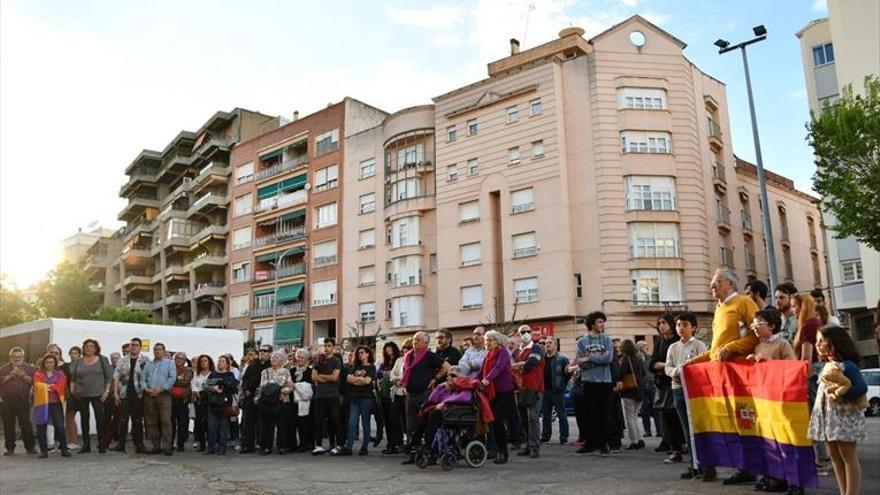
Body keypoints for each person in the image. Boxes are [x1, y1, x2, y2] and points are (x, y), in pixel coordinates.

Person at [688, 268, 760, 484]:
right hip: (721, 376)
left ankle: (752, 467)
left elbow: (757, 335)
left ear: (730, 283)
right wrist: (689, 364)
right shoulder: (719, 309)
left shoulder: (744, 303)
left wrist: (732, 347)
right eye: (712, 282)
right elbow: (715, 350)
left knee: (745, 421)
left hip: (740, 374)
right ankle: (741, 467)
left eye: (716, 282)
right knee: (730, 422)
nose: (712, 286)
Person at [809, 326, 867, 495]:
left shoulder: (847, 366)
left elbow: (861, 387)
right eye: (816, 341)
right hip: (829, 418)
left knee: (848, 457)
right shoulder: (827, 365)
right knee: (835, 456)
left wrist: (842, 395)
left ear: (834, 343)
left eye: (821, 341)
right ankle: (844, 492)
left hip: (844, 418)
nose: (817, 344)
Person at [746, 308, 798, 493]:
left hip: (782, 399)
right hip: (765, 399)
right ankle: (777, 478)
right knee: (770, 442)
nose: (755, 328)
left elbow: (793, 368)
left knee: (787, 442)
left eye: (759, 324)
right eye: (754, 324)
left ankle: (794, 482)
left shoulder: (782, 344)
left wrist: (769, 362)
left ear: (772, 326)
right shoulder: (758, 346)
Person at [665, 312, 708, 479]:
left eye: (685, 325)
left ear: (694, 327)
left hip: (694, 391)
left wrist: (686, 370)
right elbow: (668, 367)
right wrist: (676, 372)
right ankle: (694, 465)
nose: (681, 328)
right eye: (678, 325)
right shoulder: (673, 347)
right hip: (678, 389)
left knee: (697, 427)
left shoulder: (699, 346)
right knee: (686, 428)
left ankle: (705, 465)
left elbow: (703, 366)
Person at [401, 332, 451, 465]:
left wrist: (435, 379)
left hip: (425, 394)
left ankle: (430, 453)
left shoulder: (429, 355)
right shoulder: (408, 356)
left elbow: (446, 367)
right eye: (414, 339)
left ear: (425, 343)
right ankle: (413, 454)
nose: (414, 342)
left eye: (418, 340)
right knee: (411, 426)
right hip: (410, 394)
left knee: (426, 424)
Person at [575, 311, 615, 456]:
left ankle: (604, 444)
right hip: (588, 381)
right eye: (599, 322)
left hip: (604, 381)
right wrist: (597, 358)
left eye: (603, 322)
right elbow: (580, 362)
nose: (602, 324)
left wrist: (590, 357)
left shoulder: (607, 340)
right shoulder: (581, 342)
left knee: (604, 414)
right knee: (589, 414)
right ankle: (590, 443)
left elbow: (608, 359)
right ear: (592, 324)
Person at [70, 338, 113, 454]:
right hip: (82, 394)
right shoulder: (79, 361)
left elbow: (109, 377)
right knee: (84, 419)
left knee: (100, 418)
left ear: (96, 348)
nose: (89, 348)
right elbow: (73, 378)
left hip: (98, 394)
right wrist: (73, 390)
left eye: (91, 346)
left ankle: (101, 443)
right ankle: (86, 444)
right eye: (86, 346)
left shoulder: (102, 359)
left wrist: (106, 392)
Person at [649, 312, 681, 460]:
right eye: (659, 323)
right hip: (662, 383)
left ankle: (678, 445)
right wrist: (667, 366)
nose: (661, 326)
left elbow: (677, 364)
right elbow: (652, 363)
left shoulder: (676, 341)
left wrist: (665, 366)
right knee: (665, 414)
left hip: (675, 382)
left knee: (675, 415)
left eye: (664, 323)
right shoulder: (659, 342)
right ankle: (669, 442)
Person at [481, 330, 515, 464]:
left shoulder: (503, 352)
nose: (487, 343)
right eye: (486, 340)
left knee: (498, 422)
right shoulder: (488, 355)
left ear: (497, 341)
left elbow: (498, 368)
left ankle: (503, 452)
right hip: (492, 393)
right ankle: (496, 449)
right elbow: (481, 372)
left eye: (490, 340)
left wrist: (487, 380)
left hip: (504, 392)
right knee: (493, 423)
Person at [512, 324, 545, 458]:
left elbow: (531, 364)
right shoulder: (516, 352)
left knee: (533, 418)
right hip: (521, 388)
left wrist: (519, 365)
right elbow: (510, 367)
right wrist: (518, 366)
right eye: (522, 332)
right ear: (519, 335)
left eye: (528, 331)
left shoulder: (537, 348)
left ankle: (534, 447)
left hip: (535, 387)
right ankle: (527, 444)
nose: (525, 333)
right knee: (523, 419)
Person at [337, 345, 376, 456]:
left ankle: (364, 447)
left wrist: (356, 380)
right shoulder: (354, 366)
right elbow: (348, 379)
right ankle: (349, 447)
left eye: (362, 352)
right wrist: (360, 379)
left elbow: (368, 381)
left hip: (366, 398)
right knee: (352, 423)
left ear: (368, 354)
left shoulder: (371, 367)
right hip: (354, 398)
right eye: (358, 353)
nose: (360, 354)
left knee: (365, 423)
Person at [112, 337, 149, 454]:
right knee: (122, 420)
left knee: (137, 421)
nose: (133, 347)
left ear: (140, 347)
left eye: (136, 345)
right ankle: (121, 444)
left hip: (138, 394)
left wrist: (144, 392)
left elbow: (148, 378)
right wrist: (116, 394)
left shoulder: (145, 360)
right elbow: (116, 377)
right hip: (124, 393)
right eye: (131, 344)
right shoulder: (122, 360)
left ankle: (139, 444)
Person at [141, 342, 176, 456]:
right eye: (155, 349)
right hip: (150, 395)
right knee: (152, 422)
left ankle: (167, 447)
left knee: (165, 421)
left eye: (160, 349)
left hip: (164, 395)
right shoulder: (148, 364)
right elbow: (143, 378)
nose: (157, 351)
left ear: (164, 351)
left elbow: (172, 378)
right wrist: (147, 389)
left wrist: (162, 389)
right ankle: (156, 446)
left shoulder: (170, 363)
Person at [33, 352, 71, 458]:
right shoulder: (38, 374)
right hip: (41, 403)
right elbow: (37, 385)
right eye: (47, 362)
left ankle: (64, 449)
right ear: (43, 363)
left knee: (60, 426)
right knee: (41, 426)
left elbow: (61, 385)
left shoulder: (60, 374)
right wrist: (52, 386)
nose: (49, 364)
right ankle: (44, 451)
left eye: (51, 362)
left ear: (55, 363)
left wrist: (46, 386)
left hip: (56, 403)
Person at [0, 347, 37, 455]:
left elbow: (34, 382)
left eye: (19, 357)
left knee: (26, 424)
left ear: (23, 357)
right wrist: (10, 376)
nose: (17, 359)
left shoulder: (30, 368)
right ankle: (9, 448)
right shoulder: (3, 368)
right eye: (14, 357)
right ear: (10, 357)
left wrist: (22, 375)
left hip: (23, 400)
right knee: (8, 425)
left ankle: (30, 447)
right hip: (6, 401)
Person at [258, 350, 293, 455]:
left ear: (282, 360)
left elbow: (291, 386)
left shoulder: (286, 371)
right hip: (268, 401)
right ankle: (266, 447)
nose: (273, 359)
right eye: (272, 357)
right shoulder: (265, 372)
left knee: (282, 424)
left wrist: (282, 391)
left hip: (282, 400)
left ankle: (281, 446)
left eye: (276, 358)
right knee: (267, 425)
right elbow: (263, 386)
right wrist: (278, 387)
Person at [312, 338, 343, 455]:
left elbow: (335, 378)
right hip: (320, 396)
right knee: (318, 422)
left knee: (335, 421)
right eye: (325, 345)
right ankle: (318, 445)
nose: (326, 348)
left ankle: (338, 444)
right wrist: (327, 377)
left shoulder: (336, 361)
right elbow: (313, 377)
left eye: (329, 346)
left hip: (332, 395)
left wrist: (321, 376)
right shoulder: (318, 360)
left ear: (333, 347)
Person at [239, 344, 271, 454]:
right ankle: (247, 445)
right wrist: (246, 389)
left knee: (263, 423)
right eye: (261, 350)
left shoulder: (270, 365)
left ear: (270, 353)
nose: (262, 352)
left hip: (264, 397)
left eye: (265, 351)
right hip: (250, 396)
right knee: (248, 422)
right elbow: (245, 379)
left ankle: (263, 445)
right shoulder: (253, 364)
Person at [205, 355, 238, 455]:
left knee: (223, 427)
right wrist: (213, 388)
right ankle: (211, 447)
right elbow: (206, 386)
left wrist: (225, 384)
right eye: (219, 361)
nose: (220, 363)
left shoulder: (230, 375)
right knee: (211, 427)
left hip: (225, 404)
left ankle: (222, 447)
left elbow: (233, 387)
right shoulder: (213, 374)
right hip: (213, 403)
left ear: (227, 364)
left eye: (222, 361)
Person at [617, 339, 645, 451]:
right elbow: (643, 373)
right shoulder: (638, 359)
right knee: (635, 417)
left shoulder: (625, 360)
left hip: (628, 391)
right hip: (639, 391)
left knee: (629, 417)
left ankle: (633, 441)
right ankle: (640, 439)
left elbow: (620, 374)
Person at [541, 337, 570, 445]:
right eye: (545, 343)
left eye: (550, 343)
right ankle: (545, 436)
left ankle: (564, 437)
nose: (547, 345)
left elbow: (567, 374)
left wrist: (562, 385)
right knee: (545, 415)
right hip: (545, 391)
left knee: (562, 414)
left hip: (558, 391)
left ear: (555, 345)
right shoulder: (542, 358)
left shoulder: (562, 359)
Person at [386, 339, 411, 454]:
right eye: (404, 348)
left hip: (408, 393)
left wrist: (402, 380)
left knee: (408, 420)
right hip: (397, 393)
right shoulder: (400, 360)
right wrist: (398, 380)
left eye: (408, 347)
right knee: (394, 418)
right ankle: (398, 442)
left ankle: (411, 443)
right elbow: (392, 375)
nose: (406, 350)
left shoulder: (415, 360)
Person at [377, 342, 402, 454]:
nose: (388, 350)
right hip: (384, 394)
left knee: (394, 419)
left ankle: (398, 443)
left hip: (395, 394)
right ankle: (390, 444)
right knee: (387, 420)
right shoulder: (384, 363)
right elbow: (378, 373)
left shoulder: (399, 361)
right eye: (386, 349)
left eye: (390, 348)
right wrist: (384, 372)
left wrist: (388, 374)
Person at [289, 348, 314, 452]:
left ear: (307, 359)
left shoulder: (310, 371)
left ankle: (305, 443)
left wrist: (296, 385)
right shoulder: (292, 370)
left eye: (302, 357)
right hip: (293, 400)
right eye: (298, 357)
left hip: (305, 400)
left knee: (305, 423)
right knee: (292, 422)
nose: (299, 359)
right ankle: (292, 444)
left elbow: (311, 386)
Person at [635, 340, 660, 439]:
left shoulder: (650, 358)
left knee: (656, 408)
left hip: (652, 384)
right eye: (642, 346)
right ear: (638, 348)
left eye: (646, 345)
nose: (645, 347)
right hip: (642, 385)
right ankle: (647, 430)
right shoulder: (637, 359)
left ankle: (659, 430)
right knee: (644, 409)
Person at [170, 352, 194, 452]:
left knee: (182, 423)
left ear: (184, 361)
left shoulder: (188, 370)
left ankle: (181, 444)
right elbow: (166, 381)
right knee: (171, 423)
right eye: (177, 358)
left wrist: (172, 382)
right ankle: (170, 443)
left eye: (181, 358)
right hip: (170, 399)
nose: (178, 360)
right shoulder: (170, 368)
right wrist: (177, 381)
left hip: (182, 399)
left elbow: (186, 382)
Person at [191, 354, 214, 452]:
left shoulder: (213, 374)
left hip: (210, 399)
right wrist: (196, 392)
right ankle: (202, 443)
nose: (203, 363)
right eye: (201, 361)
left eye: (205, 361)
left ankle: (211, 443)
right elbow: (193, 385)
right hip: (199, 400)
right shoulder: (196, 374)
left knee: (210, 422)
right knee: (200, 422)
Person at [60, 345, 81, 449]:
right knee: (68, 418)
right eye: (71, 353)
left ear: (79, 355)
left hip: (79, 395)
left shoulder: (82, 365)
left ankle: (74, 441)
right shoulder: (65, 366)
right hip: (68, 394)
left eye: (75, 353)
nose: (73, 355)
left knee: (70, 417)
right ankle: (71, 440)